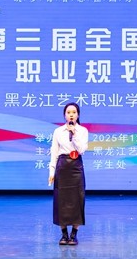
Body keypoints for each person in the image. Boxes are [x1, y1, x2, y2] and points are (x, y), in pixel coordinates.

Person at [48, 102, 88, 245]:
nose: (71, 115)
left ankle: (74, 234)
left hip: (76, 166)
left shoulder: (82, 131)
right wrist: (51, 171)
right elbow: (54, 152)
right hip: (62, 166)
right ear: (64, 115)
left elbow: (81, 149)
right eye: (68, 112)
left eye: (74, 112)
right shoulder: (58, 131)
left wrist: (74, 134)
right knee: (62, 200)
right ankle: (64, 234)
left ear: (78, 115)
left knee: (77, 199)